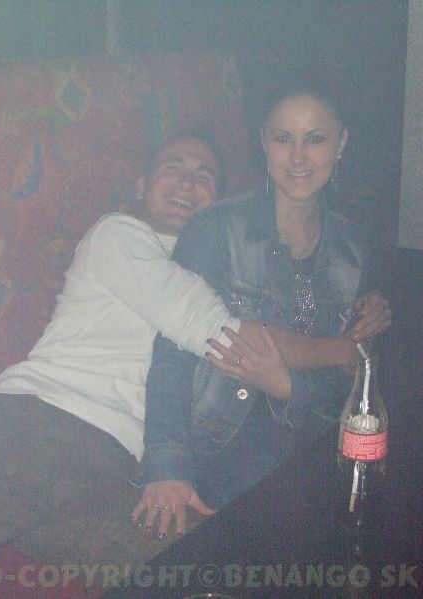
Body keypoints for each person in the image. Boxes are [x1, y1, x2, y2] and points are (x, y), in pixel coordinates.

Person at [0, 127, 388, 597]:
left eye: (204, 174)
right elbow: (225, 336)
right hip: (35, 427)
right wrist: (349, 350)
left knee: (209, 569)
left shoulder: (220, 267)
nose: (188, 182)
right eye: (173, 168)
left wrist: (360, 314)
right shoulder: (120, 236)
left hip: (118, 470)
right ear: (142, 184)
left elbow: (294, 311)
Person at [133, 78, 391, 539]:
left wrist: (293, 386)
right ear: (263, 143)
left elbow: (351, 377)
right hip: (221, 445)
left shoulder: (353, 248)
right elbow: (172, 357)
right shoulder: (213, 230)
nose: (298, 157)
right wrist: (167, 468)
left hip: (312, 438)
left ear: (341, 144)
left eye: (316, 139)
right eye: (283, 138)